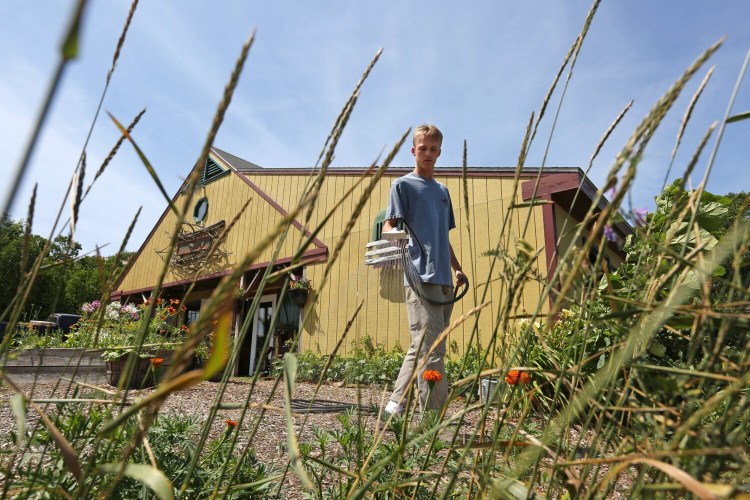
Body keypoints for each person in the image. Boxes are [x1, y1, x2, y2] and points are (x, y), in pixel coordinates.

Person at [383, 124, 468, 414]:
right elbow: (389, 226)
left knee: (424, 345)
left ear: (439, 152)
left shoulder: (443, 192)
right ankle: (433, 420)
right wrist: (400, 240)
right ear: (414, 151)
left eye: (433, 149)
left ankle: (395, 404)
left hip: (444, 278)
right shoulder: (402, 186)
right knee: (432, 350)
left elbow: (442, 237)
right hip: (420, 276)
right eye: (423, 148)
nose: (428, 153)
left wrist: (457, 269)